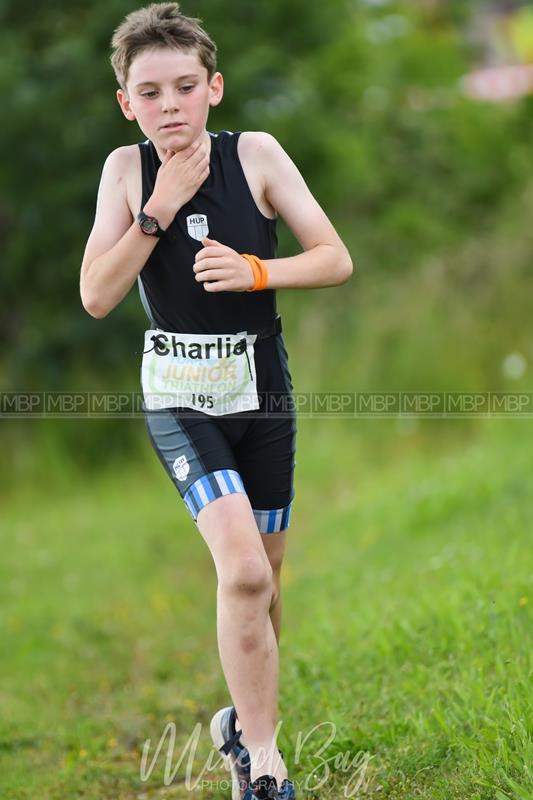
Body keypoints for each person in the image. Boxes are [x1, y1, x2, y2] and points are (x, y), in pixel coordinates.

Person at [79, 3, 353, 799]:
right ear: (127, 102)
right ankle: (263, 765)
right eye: (151, 91)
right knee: (239, 573)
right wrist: (159, 207)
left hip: (261, 389)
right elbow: (97, 294)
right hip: (178, 395)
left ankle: (239, 723)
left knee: (266, 578)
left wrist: (258, 272)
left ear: (214, 89)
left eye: (185, 86)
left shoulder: (258, 155)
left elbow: (333, 257)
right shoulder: (124, 173)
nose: (170, 104)